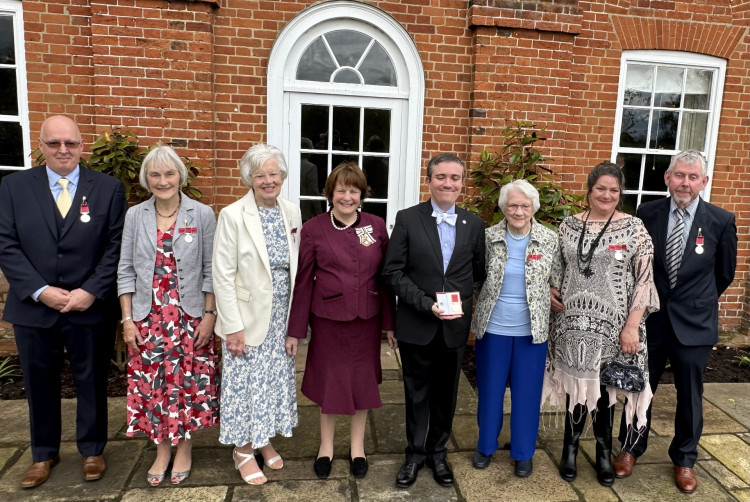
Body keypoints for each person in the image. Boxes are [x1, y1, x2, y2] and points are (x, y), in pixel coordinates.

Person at [0, 115, 127, 488]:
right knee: (38, 381)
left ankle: (92, 449)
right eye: (54, 143)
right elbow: (5, 244)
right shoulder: (13, 187)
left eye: (70, 143)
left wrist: (91, 290)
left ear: (82, 145)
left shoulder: (107, 188)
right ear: (40, 146)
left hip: (89, 305)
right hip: (34, 306)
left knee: (91, 380)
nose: (63, 150)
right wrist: (40, 290)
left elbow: (115, 245)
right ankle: (43, 453)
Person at [612, 150, 737, 494]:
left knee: (690, 395)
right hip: (651, 321)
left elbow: (724, 273)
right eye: (679, 175)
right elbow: (639, 266)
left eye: (692, 177)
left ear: (703, 182)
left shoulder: (721, 220)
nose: (685, 182)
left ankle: (684, 459)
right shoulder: (647, 213)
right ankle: (630, 448)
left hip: (694, 325)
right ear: (667, 178)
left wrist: (696, 301)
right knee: (639, 389)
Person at [543, 162, 659, 487]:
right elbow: (557, 266)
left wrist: (632, 326)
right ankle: (570, 447)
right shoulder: (568, 225)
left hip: (614, 327)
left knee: (606, 388)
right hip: (572, 324)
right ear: (589, 190)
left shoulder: (634, 228)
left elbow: (644, 281)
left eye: (614, 190)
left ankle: (604, 451)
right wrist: (552, 288)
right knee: (576, 387)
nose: (607, 195)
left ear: (620, 194)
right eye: (601, 188)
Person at [286, 162, 396, 480]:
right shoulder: (314, 229)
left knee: (361, 384)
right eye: (341, 190)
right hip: (329, 321)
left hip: (367, 320)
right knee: (331, 384)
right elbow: (304, 281)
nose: (347, 197)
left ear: (362, 195)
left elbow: (385, 279)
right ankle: (326, 448)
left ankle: (358, 448)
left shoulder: (376, 227)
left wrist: (391, 324)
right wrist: (296, 330)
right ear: (330, 193)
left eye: (353, 190)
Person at [382, 153, 486, 488]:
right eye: (441, 177)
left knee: (447, 395)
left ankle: (437, 454)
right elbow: (393, 272)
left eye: (455, 178)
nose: (448, 184)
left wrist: (460, 302)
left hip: (454, 327)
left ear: (461, 183)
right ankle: (414, 455)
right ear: (429, 181)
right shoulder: (408, 219)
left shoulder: (474, 224)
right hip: (418, 323)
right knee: (416, 393)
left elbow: (477, 272)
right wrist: (427, 304)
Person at [117, 145, 219, 486]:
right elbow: (126, 269)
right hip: (148, 318)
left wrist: (209, 315)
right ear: (147, 178)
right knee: (152, 386)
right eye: (155, 174)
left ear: (180, 176)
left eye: (169, 173)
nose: (163, 181)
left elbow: (210, 270)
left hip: (188, 317)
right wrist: (127, 320)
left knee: (187, 385)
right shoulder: (135, 215)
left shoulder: (201, 214)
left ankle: (185, 446)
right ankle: (161, 449)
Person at [212, 143, 302, 485]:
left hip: (281, 314)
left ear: (282, 176)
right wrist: (232, 327)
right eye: (260, 174)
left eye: (273, 173)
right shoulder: (233, 215)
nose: (268, 180)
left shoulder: (291, 211)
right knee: (246, 385)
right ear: (249, 178)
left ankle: (263, 439)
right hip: (246, 316)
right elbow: (222, 274)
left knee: (271, 384)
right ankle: (243, 450)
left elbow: (296, 266)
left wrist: (296, 322)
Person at [470, 180, 562, 477]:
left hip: (531, 331)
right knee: (490, 391)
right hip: (493, 328)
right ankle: (485, 446)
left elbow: (558, 280)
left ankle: (523, 452)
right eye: (512, 205)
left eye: (524, 205)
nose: (518, 211)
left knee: (527, 394)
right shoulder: (487, 237)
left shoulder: (549, 239)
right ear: (503, 208)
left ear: (534, 208)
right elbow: (474, 277)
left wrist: (551, 292)